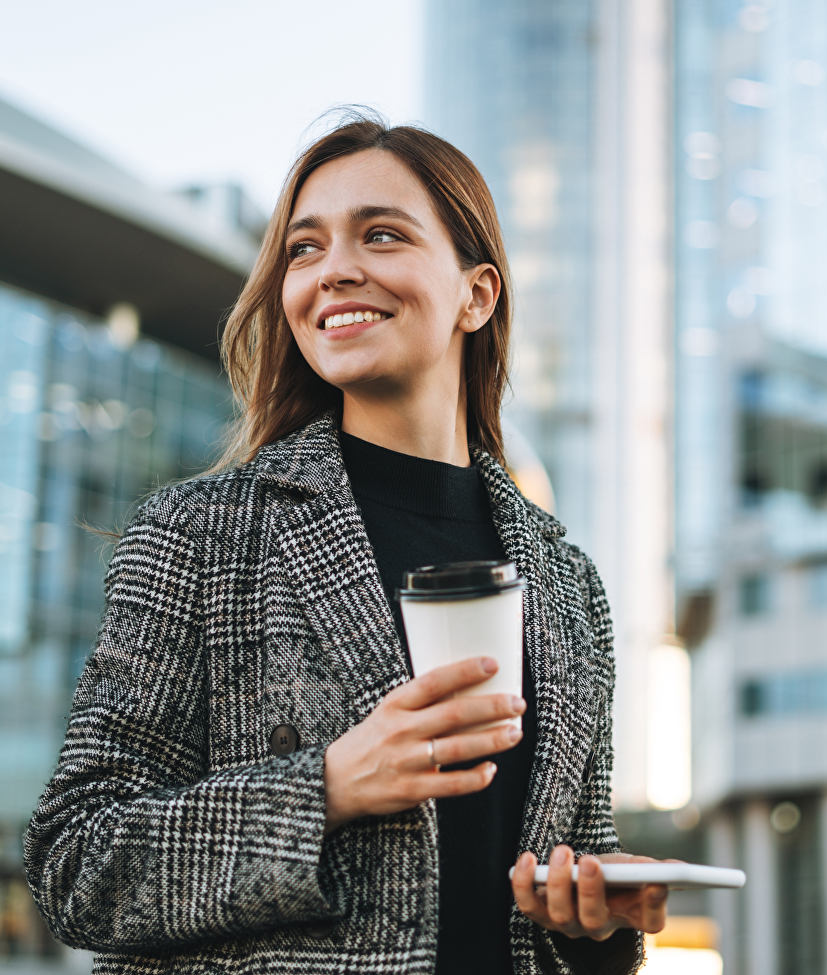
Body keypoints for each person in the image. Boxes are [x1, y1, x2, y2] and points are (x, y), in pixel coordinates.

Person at [24, 113, 668, 975]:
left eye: (381, 234)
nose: (333, 269)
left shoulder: (569, 582)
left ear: (476, 295)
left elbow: (570, 881)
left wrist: (598, 927)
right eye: (304, 248)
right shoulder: (200, 535)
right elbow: (77, 863)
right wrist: (327, 786)